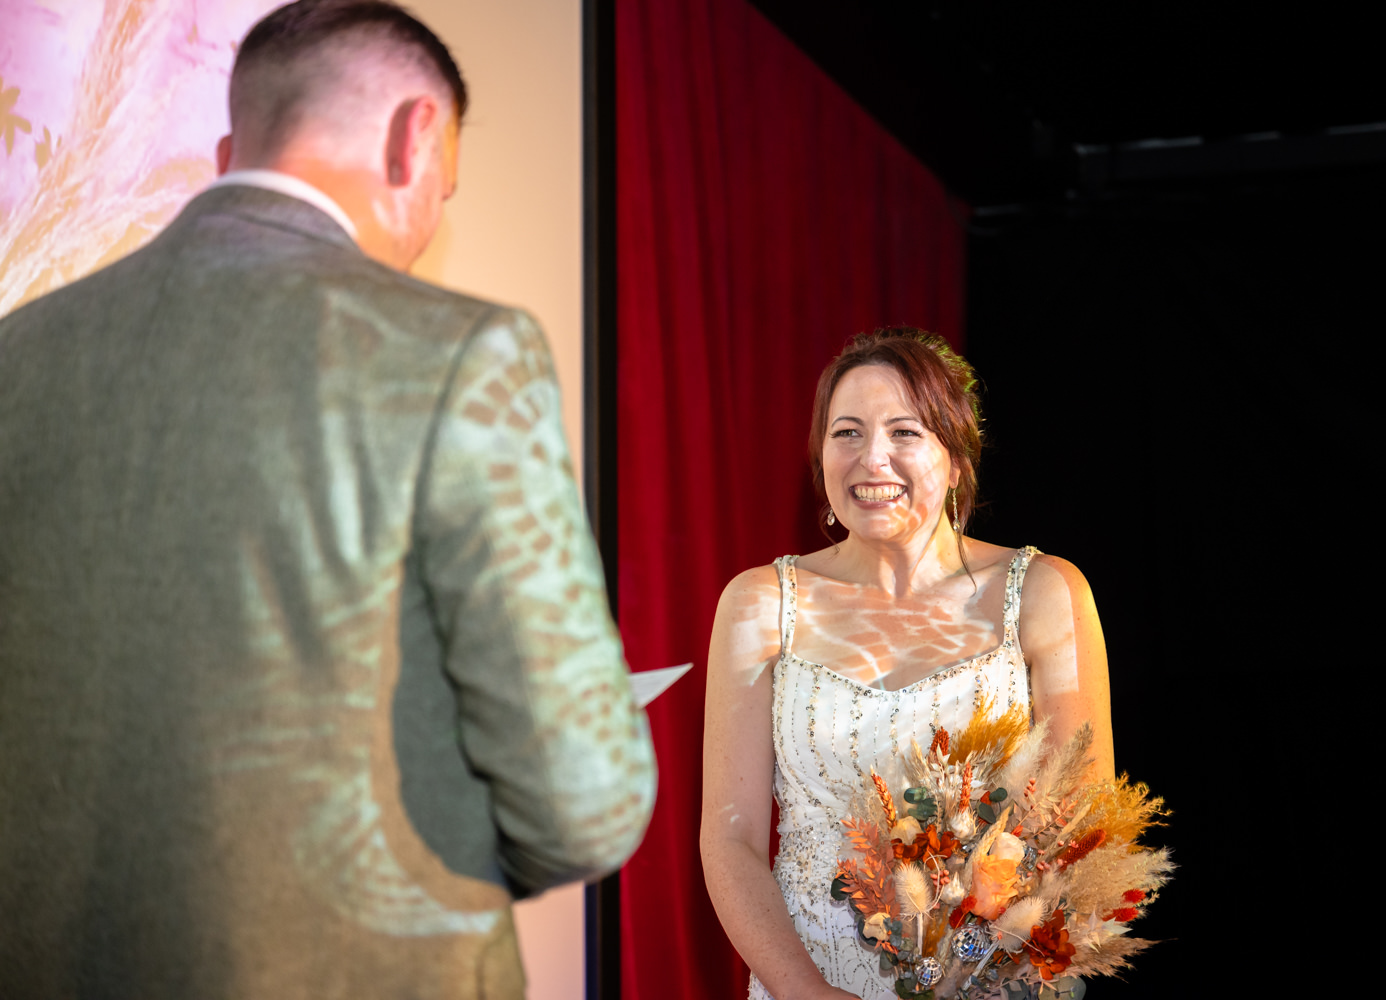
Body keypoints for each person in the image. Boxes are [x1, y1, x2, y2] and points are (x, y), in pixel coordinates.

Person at [0, 2, 655, 997]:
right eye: (447, 187)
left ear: (232, 149)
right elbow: (586, 803)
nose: (434, 216)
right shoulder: (461, 352)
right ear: (415, 136)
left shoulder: (22, 353)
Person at [700, 328, 1114, 999]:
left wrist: (959, 976)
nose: (873, 459)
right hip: (807, 978)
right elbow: (732, 840)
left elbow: (1079, 831)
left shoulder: (1045, 593)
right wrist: (809, 994)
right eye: (847, 433)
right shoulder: (759, 605)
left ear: (956, 458)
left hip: (989, 982)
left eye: (904, 432)